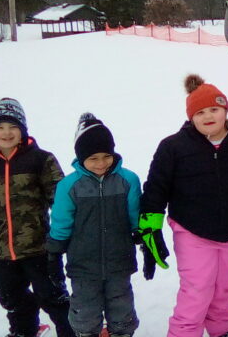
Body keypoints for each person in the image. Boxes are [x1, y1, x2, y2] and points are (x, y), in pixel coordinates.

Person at [138, 75, 228, 337]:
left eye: (214, 109)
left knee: (224, 288)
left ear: (225, 110)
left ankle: (222, 329)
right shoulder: (173, 147)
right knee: (197, 289)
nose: (208, 116)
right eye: (200, 112)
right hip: (193, 231)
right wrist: (150, 226)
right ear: (191, 117)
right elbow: (156, 186)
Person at [0, 97, 75, 337]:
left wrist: (65, 236)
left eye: (13, 126)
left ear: (22, 130)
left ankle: (72, 332)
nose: (6, 132)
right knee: (11, 300)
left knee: (53, 297)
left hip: (39, 248)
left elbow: (62, 201)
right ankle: (25, 331)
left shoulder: (40, 159)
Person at [46, 113, 143, 337]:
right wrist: (54, 252)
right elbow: (61, 221)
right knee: (85, 313)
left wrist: (142, 237)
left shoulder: (128, 180)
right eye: (93, 158)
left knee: (122, 309)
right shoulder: (69, 186)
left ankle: (121, 333)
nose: (101, 164)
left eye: (106, 156)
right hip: (83, 264)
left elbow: (135, 215)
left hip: (119, 261)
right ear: (81, 158)